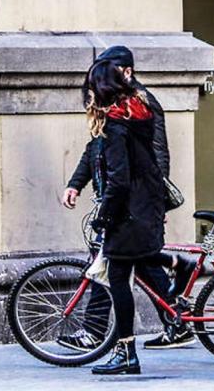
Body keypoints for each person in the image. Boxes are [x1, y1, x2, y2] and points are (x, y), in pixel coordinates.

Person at [61, 46, 195, 351]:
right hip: (122, 200)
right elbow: (94, 149)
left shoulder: (136, 108)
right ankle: (176, 321)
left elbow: (154, 156)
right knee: (140, 266)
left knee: (111, 263)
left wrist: (154, 203)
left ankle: (98, 332)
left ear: (124, 73)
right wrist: (76, 183)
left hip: (131, 203)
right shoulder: (112, 110)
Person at [83, 60, 171, 375]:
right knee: (144, 264)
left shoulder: (114, 126)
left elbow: (118, 180)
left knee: (119, 280)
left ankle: (127, 353)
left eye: (92, 87)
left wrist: (104, 217)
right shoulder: (137, 114)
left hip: (128, 213)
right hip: (144, 206)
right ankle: (179, 267)